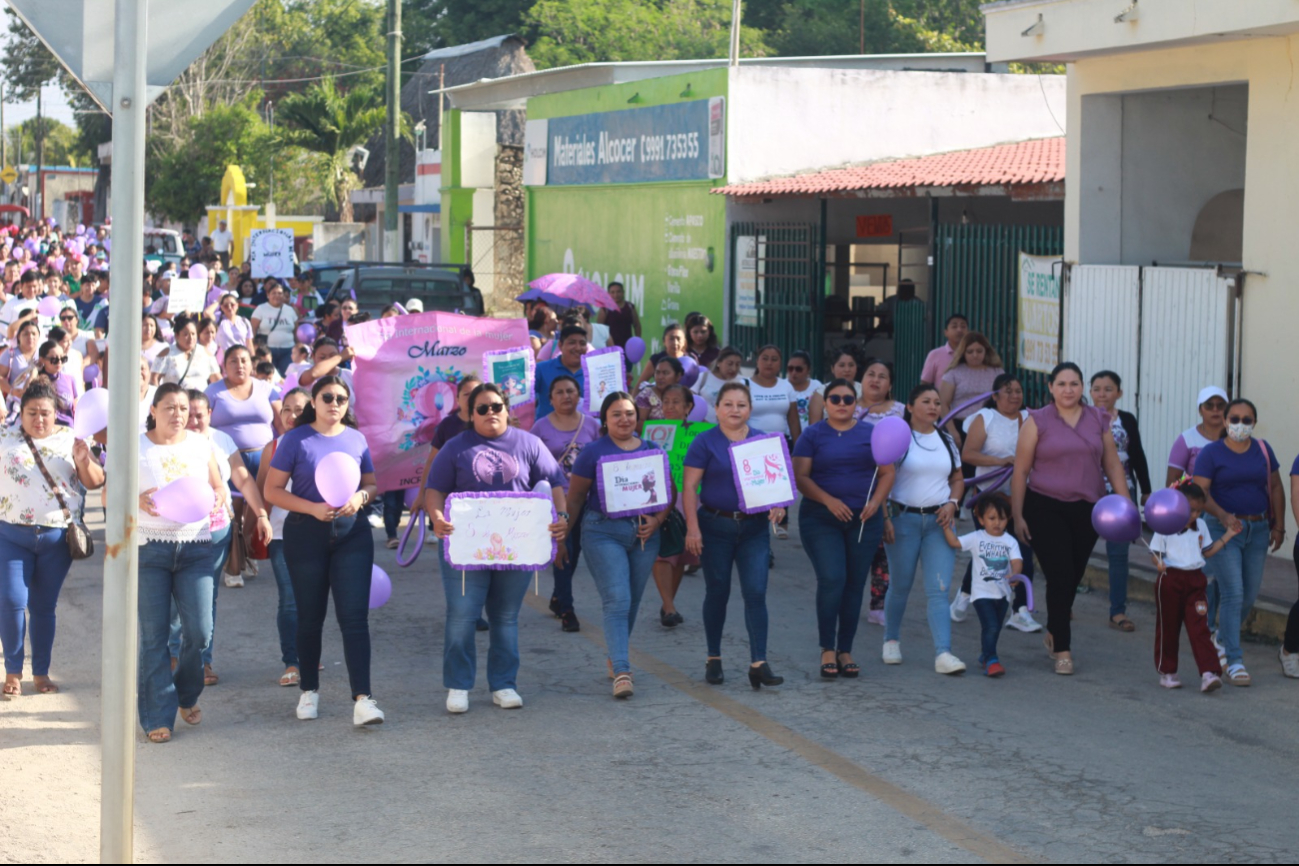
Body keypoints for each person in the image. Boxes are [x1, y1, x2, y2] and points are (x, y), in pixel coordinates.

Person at [426, 383, 569, 714]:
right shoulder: (455, 447)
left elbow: (556, 482)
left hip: (516, 548)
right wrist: (436, 516)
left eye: (496, 406)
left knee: (505, 617)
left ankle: (504, 684)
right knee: (462, 616)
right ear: (470, 414)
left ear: (507, 410)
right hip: (465, 546)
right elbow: (435, 488)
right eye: (482, 408)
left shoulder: (530, 444)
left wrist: (561, 515)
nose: (490, 412)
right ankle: (459, 685)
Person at [264, 376, 385, 726]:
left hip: (353, 535)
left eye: (342, 398)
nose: (335, 403)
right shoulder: (295, 439)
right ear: (314, 402)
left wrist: (361, 497)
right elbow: (272, 490)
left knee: (354, 618)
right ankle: (310, 691)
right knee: (309, 616)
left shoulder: (357, 438)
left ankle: (364, 698)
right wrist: (310, 508)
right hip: (305, 534)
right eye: (328, 397)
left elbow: (372, 484)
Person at [1012, 362, 1130, 676]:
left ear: (1082, 388)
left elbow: (1112, 465)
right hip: (1044, 507)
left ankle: (1054, 627)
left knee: (1073, 575)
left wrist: (1126, 507)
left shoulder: (1097, 419)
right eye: (1062, 383)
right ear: (1051, 387)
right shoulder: (1037, 420)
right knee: (1061, 574)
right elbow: (1021, 471)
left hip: (1087, 509)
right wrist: (1017, 515)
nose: (1068, 389)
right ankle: (1063, 649)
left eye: (1074, 383)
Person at [136, 384, 230, 743]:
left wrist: (218, 498)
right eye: (169, 407)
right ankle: (157, 716)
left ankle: (186, 693)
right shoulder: (137, 446)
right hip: (150, 550)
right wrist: (135, 499)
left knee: (200, 633)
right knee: (154, 637)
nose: (178, 414)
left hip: (195, 548)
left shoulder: (199, 444)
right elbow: (110, 494)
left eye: (182, 408)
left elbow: (218, 487)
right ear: (154, 410)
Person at [564, 391, 670, 698]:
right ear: (605, 419)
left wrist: (658, 520)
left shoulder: (652, 450)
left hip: (644, 534)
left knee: (632, 600)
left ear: (638, 416)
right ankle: (623, 670)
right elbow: (575, 498)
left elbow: (668, 492)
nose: (624, 419)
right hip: (602, 532)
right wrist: (562, 540)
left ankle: (616, 654)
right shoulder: (592, 452)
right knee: (617, 600)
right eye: (616, 414)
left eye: (629, 413)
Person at [0, 383, 104, 698]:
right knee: (11, 601)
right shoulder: (5, 438)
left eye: (45, 413)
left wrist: (83, 460)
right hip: (11, 535)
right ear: (22, 414)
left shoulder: (70, 440)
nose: (39, 419)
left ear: (55, 413)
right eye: (32, 413)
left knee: (43, 607)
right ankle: (13, 671)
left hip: (57, 538)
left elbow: (96, 481)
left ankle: (41, 673)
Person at [683, 382, 786, 689]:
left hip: (753, 529)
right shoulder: (704, 442)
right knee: (718, 591)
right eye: (728, 404)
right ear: (717, 409)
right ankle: (713, 657)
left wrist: (779, 504)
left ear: (750, 409)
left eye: (741, 405)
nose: (734, 410)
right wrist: (692, 527)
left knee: (755, 592)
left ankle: (759, 662)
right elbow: (689, 488)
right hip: (715, 526)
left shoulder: (763, 442)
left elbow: (776, 484)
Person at [167, 389, 272, 685]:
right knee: (174, 599)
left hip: (215, 533)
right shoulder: (168, 441)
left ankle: (202, 661)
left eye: (201, 414)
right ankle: (174, 656)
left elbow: (243, 479)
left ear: (210, 415)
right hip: (175, 532)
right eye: (191, 414)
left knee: (205, 599)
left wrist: (260, 514)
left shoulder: (222, 440)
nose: (196, 420)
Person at [793, 378, 894, 680]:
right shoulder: (812, 434)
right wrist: (829, 500)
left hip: (863, 520)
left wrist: (877, 503)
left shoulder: (870, 433)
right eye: (834, 399)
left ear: (856, 402)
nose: (841, 404)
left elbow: (888, 472)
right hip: (821, 519)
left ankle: (845, 649)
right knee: (833, 577)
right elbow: (801, 477)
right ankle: (827, 648)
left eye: (847, 399)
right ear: (824, 403)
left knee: (853, 583)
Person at [1191, 398, 1285, 687]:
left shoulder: (1263, 450)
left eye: (1246, 420)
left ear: (1254, 422)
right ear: (1225, 420)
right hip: (1223, 530)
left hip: (1256, 529)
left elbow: (1276, 486)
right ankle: (1234, 660)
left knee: (1249, 595)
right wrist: (1222, 514)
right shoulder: (1211, 453)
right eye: (1235, 418)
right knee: (1233, 592)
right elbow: (1199, 493)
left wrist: (1278, 525)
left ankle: (1220, 637)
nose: (1240, 425)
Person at [881, 384, 967, 675]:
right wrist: (885, 518)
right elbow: (881, 480)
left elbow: (958, 478)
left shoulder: (946, 439)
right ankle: (891, 639)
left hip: (939, 523)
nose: (933, 407)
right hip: (903, 520)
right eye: (926, 401)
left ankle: (943, 653)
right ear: (909, 406)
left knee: (939, 590)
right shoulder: (898, 437)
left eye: (937, 402)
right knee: (901, 585)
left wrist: (953, 503)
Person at [952, 373, 1040, 633]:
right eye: (1008, 390)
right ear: (995, 396)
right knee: (989, 549)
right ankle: (966, 593)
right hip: (991, 496)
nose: (1014, 395)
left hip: (1022, 495)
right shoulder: (985, 418)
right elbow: (968, 454)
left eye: (1018, 391)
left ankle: (1020, 610)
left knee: (1023, 549)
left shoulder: (1029, 418)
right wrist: (1003, 461)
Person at [531, 375, 600, 632]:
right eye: (559, 392)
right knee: (563, 551)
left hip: (586, 500)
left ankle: (558, 596)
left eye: (570, 391)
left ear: (578, 395)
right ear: (550, 399)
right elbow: (530, 462)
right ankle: (567, 610)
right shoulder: (540, 427)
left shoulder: (592, 425)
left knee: (576, 550)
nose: (566, 396)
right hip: (555, 501)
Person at [1149, 481, 1233, 692]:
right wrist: (1158, 563)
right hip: (1170, 580)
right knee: (1168, 626)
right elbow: (1155, 554)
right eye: (1189, 510)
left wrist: (1228, 535)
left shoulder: (1201, 526)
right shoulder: (1165, 524)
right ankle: (1167, 672)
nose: (1193, 515)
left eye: (1198, 510)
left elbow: (1207, 551)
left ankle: (1208, 672)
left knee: (1200, 626)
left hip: (1195, 580)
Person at [1090, 371, 1153, 632]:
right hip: (1087, 491)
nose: (1102, 394)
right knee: (1076, 550)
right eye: (1097, 389)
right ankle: (1065, 602)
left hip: (1120, 492)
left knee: (1118, 554)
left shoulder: (1127, 419)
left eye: (1108, 389)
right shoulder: (1082, 417)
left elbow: (1137, 454)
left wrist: (1146, 490)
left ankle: (1117, 611)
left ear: (1119, 393)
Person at [256, 388, 309, 686]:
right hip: (280, 534)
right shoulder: (273, 447)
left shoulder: (322, 442)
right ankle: (292, 662)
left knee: (311, 599)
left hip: (316, 532)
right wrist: (255, 523)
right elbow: (262, 491)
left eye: (299, 409)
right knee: (289, 599)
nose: (291, 415)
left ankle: (307, 652)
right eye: (286, 409)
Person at [942, 493, 1022, 678]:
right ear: (980, 519)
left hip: (1003, 594)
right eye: (992, 518)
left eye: (1002, 519)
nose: (997, 523)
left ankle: (986, 654)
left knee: (994, 628)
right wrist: (946, 526)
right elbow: (954, 542)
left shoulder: (1010, 541)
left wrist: (1015, 573)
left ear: (1008, 519)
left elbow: (1017, 561)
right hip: (981, 594)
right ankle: (992, 660)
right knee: (991, 626)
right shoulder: (977, 537)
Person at [853, 358, 906, 626]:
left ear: (890, 384)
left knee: (883, 550)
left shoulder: (900, 411)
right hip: (853, 486)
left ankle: (878, 605)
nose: (875, 379)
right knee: (855, 547)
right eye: (870, 374)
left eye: (882, 376)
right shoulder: (847, 406)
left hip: (890, 488)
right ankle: (847, 599)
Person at [650, 385, 703, 626]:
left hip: (690, 499)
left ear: (688, 407)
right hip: (660, 499)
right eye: (666, 402)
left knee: (681, 556)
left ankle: (667, 602)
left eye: (675, 402)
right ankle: (670, 607)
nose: (669, 406)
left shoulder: (700, 436)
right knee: (661, 553)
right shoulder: (652, 434)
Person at [938, 332, 1005, 446]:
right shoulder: (953, 373)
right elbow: (943, 404)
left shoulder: (996, 372)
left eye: (979, 351)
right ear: (963, 352)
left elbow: (1003, 400)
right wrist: (952, 431)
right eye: (970, 351)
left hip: (990, 427)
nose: (975, 355)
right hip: (960, 425)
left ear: (986, 351)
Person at [1167, 386, 1228, 486]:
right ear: (1200, 410)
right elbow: (1174, 481)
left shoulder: (1235, 438)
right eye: (1209, 405)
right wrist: (1190, 480)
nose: (1215, 409)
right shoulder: (1187, 439)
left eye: (1220, 406)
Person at [151, 315, 223, 390]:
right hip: (175, 399)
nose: (191, 338)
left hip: (200, 398)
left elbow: (217, 379)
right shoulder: (166, 353)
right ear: (177, 336)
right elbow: (154, 379)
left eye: (193, 334)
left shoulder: (206, 353)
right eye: (186, 334)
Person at [534, 325, 589, 419]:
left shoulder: (593, 370)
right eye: (572, 343)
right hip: (546, 432)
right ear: (560, 345)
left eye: (582, 343)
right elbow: (523, 397)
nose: (578, 348)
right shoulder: (542, 369)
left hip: (584, 430)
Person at [251, 282, 299, 375]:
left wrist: (298, 347)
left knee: (288, 376)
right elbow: (253, 330)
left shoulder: (290, 310)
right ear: (268, 295)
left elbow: (295, 331)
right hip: (267, 351)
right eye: (274, 293)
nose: (277, 295)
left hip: (288, 350)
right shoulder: (260, 309)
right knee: (268, 375)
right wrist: (253, 348)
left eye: (280, 293)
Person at [692, 347, 747, 424]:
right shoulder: (703, 377)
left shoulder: (743, 382)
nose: (734, 369)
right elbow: (689, 401)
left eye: (737, 364)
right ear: (718, 363)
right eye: (730, 364)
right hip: (703, 426)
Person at [0, 320, 40, 417]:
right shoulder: (10, 353)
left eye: (34, 334)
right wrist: (12, 391)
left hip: (37, 402)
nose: (30, 337)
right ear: (18, 336)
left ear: (39, 336)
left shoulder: (43, 354)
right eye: (26, 334)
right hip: (13, 402)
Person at [34, 341, 78, 427]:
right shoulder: (36, 379)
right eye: (54, 359)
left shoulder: (70, 379)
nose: (59, 362)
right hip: (45, 429)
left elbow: (75, 409)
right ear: (42, 360)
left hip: (68, 429)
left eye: (63, 359)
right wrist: (34, 370)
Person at [634, 323, 689, 389]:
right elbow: (639, 385)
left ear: (684, 342)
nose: (675, 342)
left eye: (678, 339)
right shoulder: (656, 359)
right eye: (671, 339)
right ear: (664, 341)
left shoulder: (690, 360)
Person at [635, 356, 683, 429]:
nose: (660, 377)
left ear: (678, 376)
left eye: (665, 373)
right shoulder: (646, 395)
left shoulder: (684, 395)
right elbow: (639, 424)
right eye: (657, 372)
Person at [921, 313, 969, 386]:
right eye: (954, 326)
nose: (959, 330)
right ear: (946, 332)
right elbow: (925, 383)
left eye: (963, 326)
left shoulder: (974, 354)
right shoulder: (935, 354)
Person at [597, 281, 641, 355]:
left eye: (618, 292)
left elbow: (637, 325)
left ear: (623, 292)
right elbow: (599, 328)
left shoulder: (630, 307)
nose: (616, 295)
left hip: (627, 349)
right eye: (612, 292)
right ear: (608, 294)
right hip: (610, 349)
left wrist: (638, 342)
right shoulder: (605, 309)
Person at [785, 350, 822, 430]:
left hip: (810, 433)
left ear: (808, 370)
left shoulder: (817, 386)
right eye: (790, 368)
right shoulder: (782, 386)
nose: (794, 372)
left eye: (798, 369)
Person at [215, 293, 255, 360]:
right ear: (221, 307)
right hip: (223, 358)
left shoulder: (244, 322)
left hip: (241, 357)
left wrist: (253, 360)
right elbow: (207, 313)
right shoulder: (218, 319)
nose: (229, 307)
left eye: (232, 305)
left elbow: (249, 344)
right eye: (226, 306)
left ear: (237, 305)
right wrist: (218, 302)